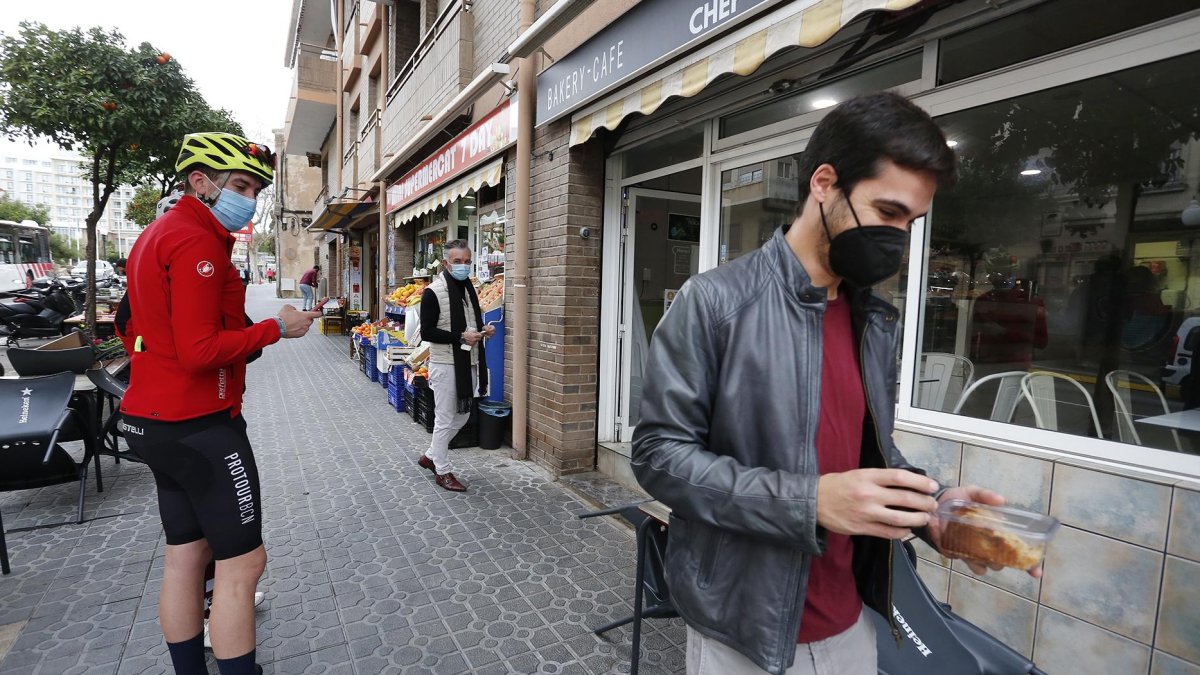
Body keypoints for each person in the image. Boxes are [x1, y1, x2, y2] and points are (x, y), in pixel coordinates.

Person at [631, 92, 1037, 675]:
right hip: (745, 630)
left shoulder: (874, 320)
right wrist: (809, 501)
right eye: (889, 212)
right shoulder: (716, 302)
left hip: (854, 619)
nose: (901, 239)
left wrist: (935, 510)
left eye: (912, 222)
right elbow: (658, 456)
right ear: (824, 182)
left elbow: (868, 451)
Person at [119, 131, 321, 675]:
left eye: (255, 188)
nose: (249, 198)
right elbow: (200, 350)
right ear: (199, 182)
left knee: (186, 555)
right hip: (200, 425)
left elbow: (131, 325)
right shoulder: (196, 241)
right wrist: (275, 329)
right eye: (238, 185)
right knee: (243, 563)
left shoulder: (156, 233)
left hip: (156, 421)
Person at [415, 241, 493, 492]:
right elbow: (426, 332)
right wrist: (461, 337)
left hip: (467, 361)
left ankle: (430, 456)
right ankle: (442, 470)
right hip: (445, 363)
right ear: (446, 263)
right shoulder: (433, 292)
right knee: (446, 419)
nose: (463, 266)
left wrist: (481, 332)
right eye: (457, 261)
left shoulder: (468, 290)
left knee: (463, 415)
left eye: (467, 261)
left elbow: (468, 325)